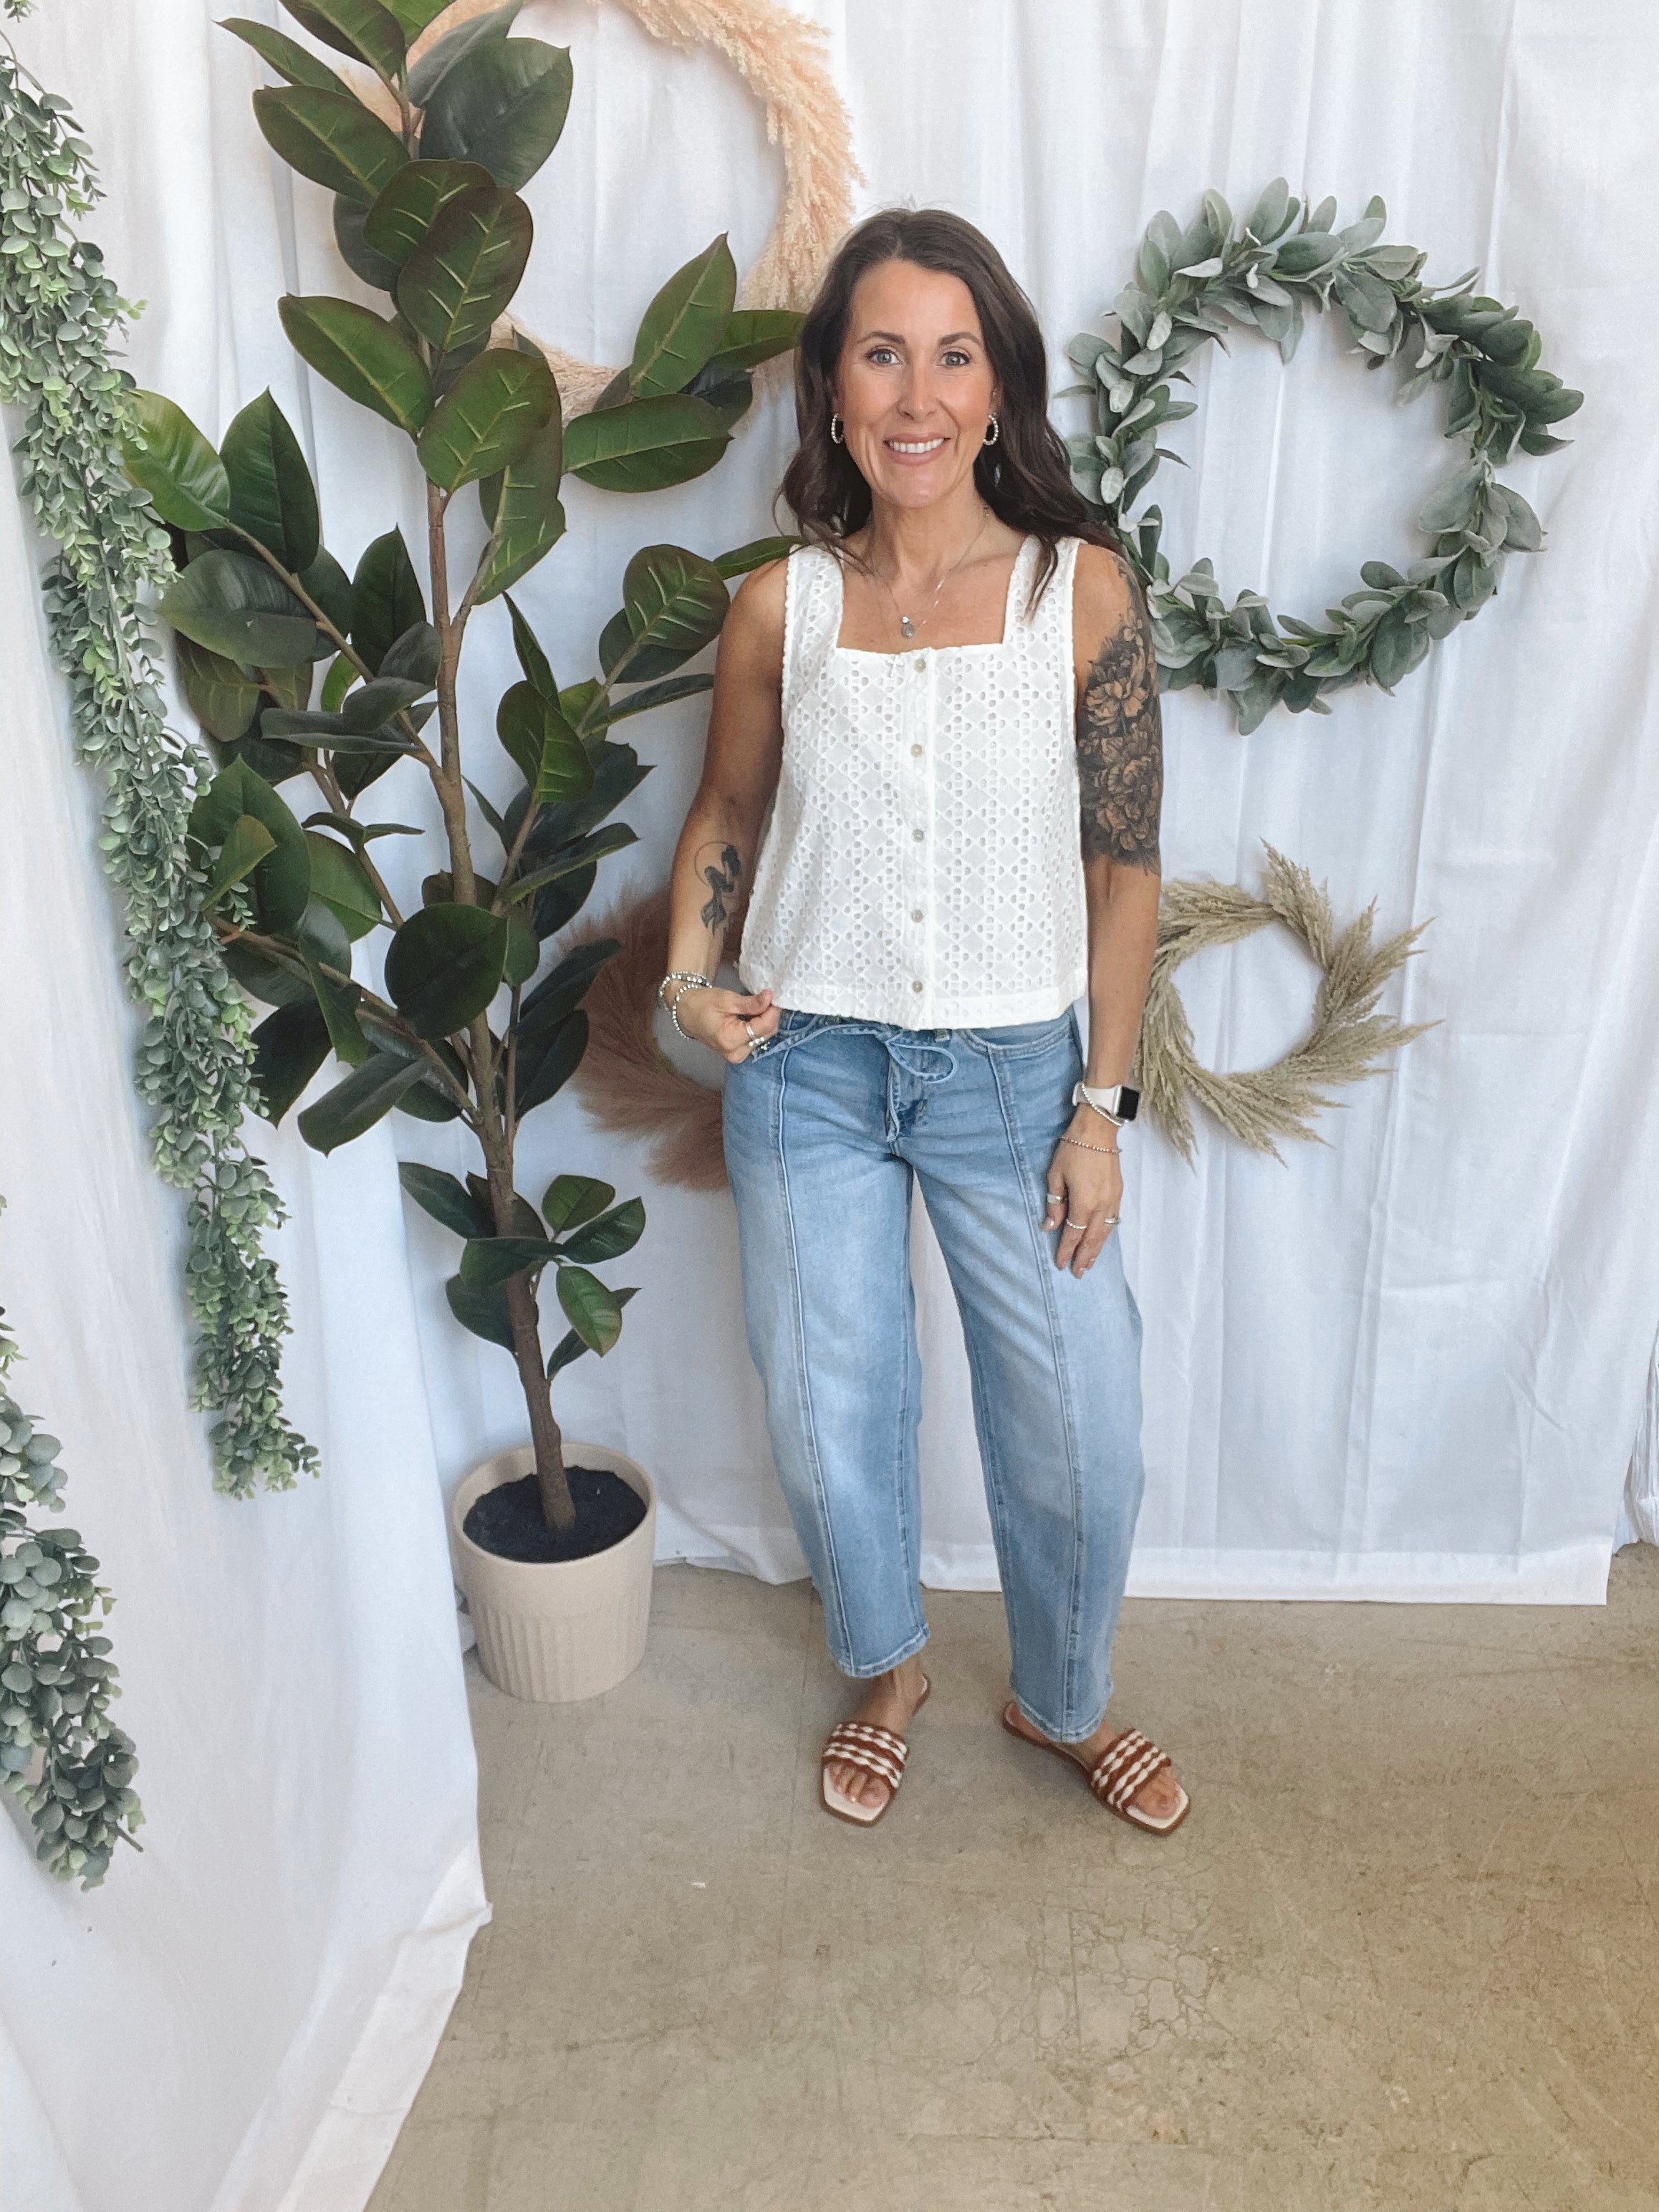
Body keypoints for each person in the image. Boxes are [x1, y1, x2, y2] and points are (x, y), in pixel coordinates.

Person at [658, 208, 1187, 1835]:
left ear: (998, 387)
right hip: (808, 1066)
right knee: (827, 1421)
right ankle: (886, 1663)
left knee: (1081, 1429)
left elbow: (1126, 869)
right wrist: (691, 978)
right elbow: (726, 812)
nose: (917, 391)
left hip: (1018, 1077)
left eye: (954, 354)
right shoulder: (778, 609)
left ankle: (1061, 1695)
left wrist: (1101, 1104)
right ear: (830, 389)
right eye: (881, 351)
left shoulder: (1076, 593)